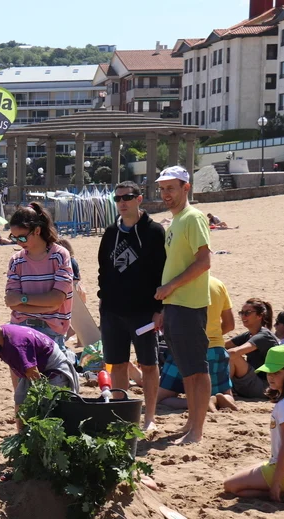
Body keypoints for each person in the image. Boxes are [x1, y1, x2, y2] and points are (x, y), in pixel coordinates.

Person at [97, 182, 166, 431]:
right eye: (117, 199)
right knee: (117, 364)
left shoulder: (154, 231)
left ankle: (150, 418)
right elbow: (103, 269)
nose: (122, 202)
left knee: (148, 364)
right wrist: (103, 300)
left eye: (127, 197)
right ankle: (121, 417)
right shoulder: (110, 233)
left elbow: (163, 272)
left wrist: (160, 309)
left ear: (139, 199)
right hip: (112, 310)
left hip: (144, 311)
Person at [155, 166, 212, 444]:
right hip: (176, 305)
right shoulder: (177, 221)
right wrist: (166, 305)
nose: (165, 194)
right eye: (162, 189)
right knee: (187, 370)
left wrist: (170, 287)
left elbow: (204, 262)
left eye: (171, 188)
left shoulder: (193, 217)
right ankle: (192, 423)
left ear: (186, 188)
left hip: (189, 304)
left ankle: (197, 430)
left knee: (197, 370)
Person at [222, 346, 284, 501]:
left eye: (277, 372)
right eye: (269, 372)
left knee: (231, 486)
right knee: (242, 476)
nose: (270, 377)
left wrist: (276, 483)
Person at [0, 305, 78, 431]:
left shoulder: (16, 345)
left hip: (54, 371)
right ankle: (21, 435)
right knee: (20, 402)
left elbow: (35, 377)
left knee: (47, 412)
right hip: (34, 370)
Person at [4, 202, 74, 361]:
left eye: (22, 237)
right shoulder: (16, 260)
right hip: (20, 327)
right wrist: (47, 305)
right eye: (14, 237)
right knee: (20, 373)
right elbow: (11, 302)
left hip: (51, 330)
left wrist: (23, 299)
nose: (18, 242)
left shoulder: (60, 255)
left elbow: (57, 299)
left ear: (37, 230)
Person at [158, 275, 236, 412]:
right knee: (226, 393)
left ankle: (195, 403)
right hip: (216, 349)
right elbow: (230, 324)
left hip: (185, 348)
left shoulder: (177, 284)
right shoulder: (218, 284)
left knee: (161, 399)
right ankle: (216, 399)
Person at [226, 298, 278, 400]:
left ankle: (224, 390)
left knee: (234, 357)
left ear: (259, 316)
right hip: (252, 381)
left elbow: (233, 353)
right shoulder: (249, 334)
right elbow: (223, 345)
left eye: (247, 313)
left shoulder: (264, 336)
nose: (243, 316)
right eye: (242, 313)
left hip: (265, 386)